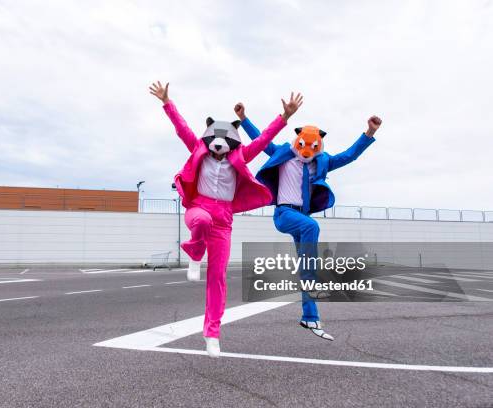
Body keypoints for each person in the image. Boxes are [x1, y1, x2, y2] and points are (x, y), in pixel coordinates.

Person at [149, 81, 303, 357]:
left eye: (224, 142)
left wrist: (285, 117)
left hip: (224, 219)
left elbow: (263, 140)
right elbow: (182, 129)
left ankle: (212, 333)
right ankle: (195, 254)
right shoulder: (197, 148)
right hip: (200, 208)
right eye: (214, 141)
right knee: (201, 222)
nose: (218, 146)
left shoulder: (241, 156)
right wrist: (167, 103)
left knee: (218, 276)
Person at [235, 101, 382, 341]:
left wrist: (370, 133)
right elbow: (262, 140)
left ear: (319, 146)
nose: (307, 152)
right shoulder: (283, 153)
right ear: (297, 141)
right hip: (284, 214)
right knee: (312, 226)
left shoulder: (321, 162)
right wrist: (243, 119)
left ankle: (310, 317)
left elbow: (349, 156)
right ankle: (313, 283)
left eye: (313, 148)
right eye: (304, 146)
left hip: (301, 217)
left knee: (306, 266)